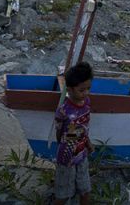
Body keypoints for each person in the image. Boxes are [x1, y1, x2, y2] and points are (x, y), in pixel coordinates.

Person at [53, 61, 94, 205]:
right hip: (67, 159)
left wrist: (87, 142)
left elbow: (84, 127)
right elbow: (59, 135)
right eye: (81, 90)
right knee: (63, 195)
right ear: (69, 90)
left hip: (82, 155)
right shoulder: (64, 111)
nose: (86, 93)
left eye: (88, 88)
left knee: (85, 190)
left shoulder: (86, 104)